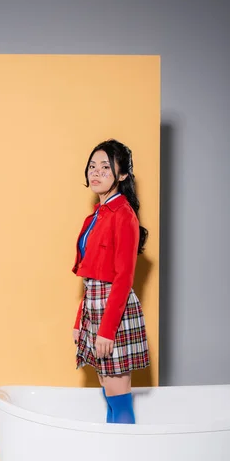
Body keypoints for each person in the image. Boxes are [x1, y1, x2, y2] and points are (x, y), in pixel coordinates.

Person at [72, 139, 150, 424]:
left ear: (122, 174)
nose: (96, 172)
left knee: (119, 400)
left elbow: (123, 278)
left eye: (106, 167)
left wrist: (106, 331)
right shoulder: (97, 214)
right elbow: (90, 275)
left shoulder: (124, 215)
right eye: (92, 166)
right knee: (109, 397)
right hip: (95, 307)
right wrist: (80, 319)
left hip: (113, 314)